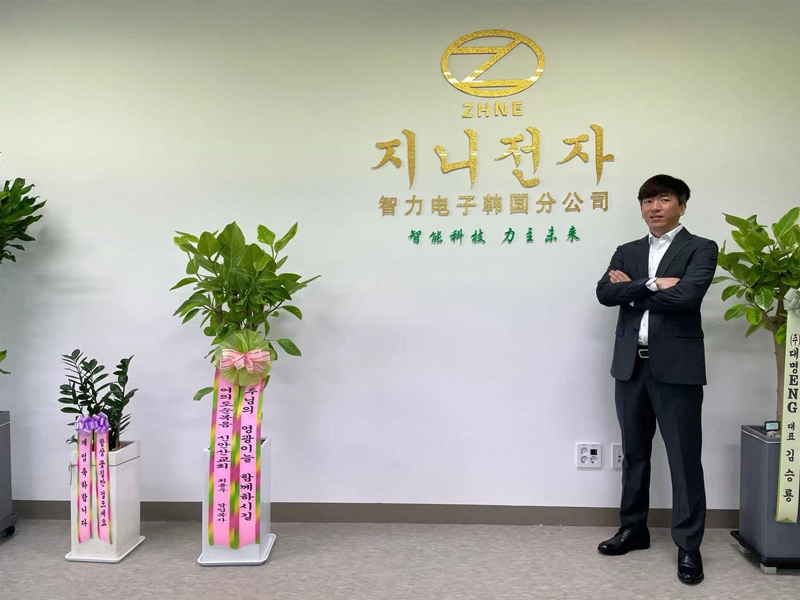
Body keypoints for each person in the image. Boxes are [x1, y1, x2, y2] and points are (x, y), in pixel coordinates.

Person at [595, 174, 718, 585]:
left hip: (678, 368)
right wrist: (652, 283)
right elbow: (604, 294)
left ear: (682, 205)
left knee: (684, 457)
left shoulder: (700, 248)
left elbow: (688, 296)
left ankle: (689, 545)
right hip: (630, 366)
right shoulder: (627, 251)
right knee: (634, 453)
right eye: (647, 201)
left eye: (663, 199)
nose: (654, 207)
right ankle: (634, 529)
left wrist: (632, 291)